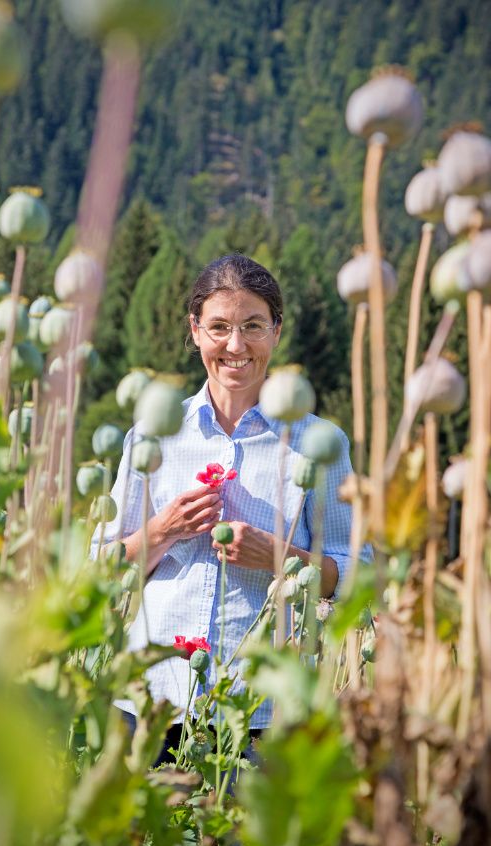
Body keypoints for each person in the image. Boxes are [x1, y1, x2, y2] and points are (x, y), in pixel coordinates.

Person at [96, 254, 357, 738]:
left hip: (263, 712)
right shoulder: (153, 434)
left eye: (253, 326)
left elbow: (360, 574)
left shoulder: (320, 444)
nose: (235, 345)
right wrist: (162, 530)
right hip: (150, 701)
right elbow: (100, 568)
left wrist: (280, 557)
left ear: (276, 331)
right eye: (219, 327)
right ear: (195, 330)